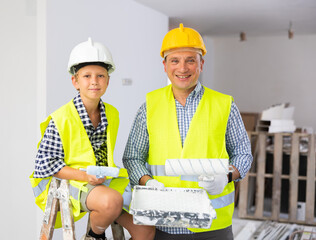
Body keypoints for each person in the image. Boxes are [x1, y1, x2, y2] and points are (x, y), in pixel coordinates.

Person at [122, 24, 253, 240]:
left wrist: (227, 177)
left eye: (190, 60)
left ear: (201, 64)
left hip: (213, 226)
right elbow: (133, 157)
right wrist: (148, 181)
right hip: (164, 223)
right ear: (165, 65)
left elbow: (243, 154)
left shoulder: (224, 104)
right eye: (175, 60)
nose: (182, 68)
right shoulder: (149, 105)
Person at [30, 38, 155, 240]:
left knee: (146, 230)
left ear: (108, 80)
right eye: (87, 76)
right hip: (66, 181)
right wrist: (85, 176)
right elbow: (44, 164)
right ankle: (93, 236)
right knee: (112, 201)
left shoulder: (112, 113)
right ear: (75, 81)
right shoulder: (61, 118)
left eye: (100, 76)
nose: (94, 81)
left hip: (100, 181)